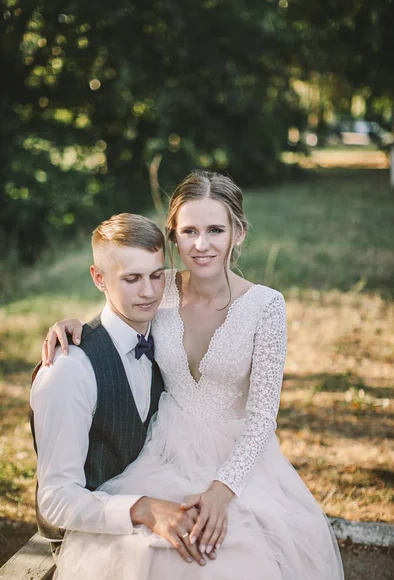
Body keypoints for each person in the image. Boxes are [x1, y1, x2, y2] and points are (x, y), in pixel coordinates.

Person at [43, 170, 344, 579]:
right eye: (189, 231)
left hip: (235, 458)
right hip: (162, 449)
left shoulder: (266, 306)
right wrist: (70, 324)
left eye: (215, 230)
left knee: (231, 555)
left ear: (237, 233)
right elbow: (117, 307)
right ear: (173, 236)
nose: (201, 245)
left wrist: (221, 492)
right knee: (149, 552)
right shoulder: (159, 287)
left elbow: (261, 419)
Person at [31, 212, 216, 572]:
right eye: (131, 279)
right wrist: (141, 509)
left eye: (156, 275)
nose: (148, 292)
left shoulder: (163, 335)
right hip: (87, 534)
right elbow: (54, 500)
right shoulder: (70, 369)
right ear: (99, 278)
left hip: (157, 491)